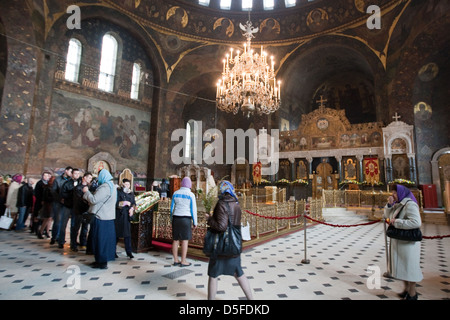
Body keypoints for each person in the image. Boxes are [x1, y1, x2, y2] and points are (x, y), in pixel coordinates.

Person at [205, 180, 253, 300]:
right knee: (239, 273)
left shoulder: (222, 203)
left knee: (213, 275)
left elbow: (221, 226)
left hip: (221, 245)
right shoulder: (236, 203)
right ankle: (251, 299)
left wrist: (209, 219)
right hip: (234, 244)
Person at [384, 184, 423, 300]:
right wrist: (390, 205)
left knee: (410, 268)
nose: (393, 195)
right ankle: (406, 289)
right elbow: (388, 216)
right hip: (400, 242)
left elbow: (416, 222)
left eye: (395, 193)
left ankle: (412, 293)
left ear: (401, 193)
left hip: (408, 243)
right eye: (392, 193)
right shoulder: (399, 205)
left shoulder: (410, 205)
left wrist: (397, 222)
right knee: (403, 268)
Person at [83, 169, 117, 269]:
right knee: (104, 240)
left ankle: (101, 262)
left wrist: (86, 192)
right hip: (108, 217)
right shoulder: (112, 186)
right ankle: (100, 260)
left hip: (101, 217)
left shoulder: (105, 187)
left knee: (100, 240)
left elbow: (94, 200)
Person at [170, 177, 197, 267]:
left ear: (181, 183)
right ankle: (183, 261)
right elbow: (193, 209)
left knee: (175, 240)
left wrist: (171, 219)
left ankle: (175, 260)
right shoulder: (191, 195)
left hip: (176, 218)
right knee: (185, 240)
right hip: (186, 218)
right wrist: (195, 222)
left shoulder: (175, 193)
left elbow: (172, 208)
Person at [57, 168, 81, 249]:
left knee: (75, 225)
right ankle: (61, 241)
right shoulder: (67, 183)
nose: (77, 175)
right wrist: (73, 191)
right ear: (72, 174)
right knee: (63, 224)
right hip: (67, 205)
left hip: (76, 207)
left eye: (78, 174)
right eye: (75, 173)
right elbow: (63, 194)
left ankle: (73, 243)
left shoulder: (80, 183)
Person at [51, 166, 73, 245]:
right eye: (70, 171)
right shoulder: (58, 179)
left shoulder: (71, 180)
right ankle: (54, 236)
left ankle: (61, 238)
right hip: (58, 203)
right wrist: (60, 199)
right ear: (66, 171)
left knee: (64, 222)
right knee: (57, 221)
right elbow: (53, 191)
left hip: (66, 203)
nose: (71, 173)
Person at [71, 172, 93, 252]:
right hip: (79, 210)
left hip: (87, 210)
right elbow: (79, 198)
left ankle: (83, 243)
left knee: (85, 228)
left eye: (91, 178)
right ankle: (73, 244)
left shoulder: (89, 187)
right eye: (89, 178)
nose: (90, 179)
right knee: (76, 227)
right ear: (84, 178)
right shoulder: (78, 187)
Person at [115, 179, 136, 259]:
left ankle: (129, 252)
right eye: (126, 184)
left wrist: (132, 209)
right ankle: (113, 251)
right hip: (119, 215)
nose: (127, 186)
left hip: (127, 215)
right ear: (122, 184)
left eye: (128, 184)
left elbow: (134, 203)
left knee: (127, 235)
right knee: (117, 234)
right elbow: (116, 203)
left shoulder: (131, 193)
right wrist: (123, 203)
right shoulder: (118, 192)